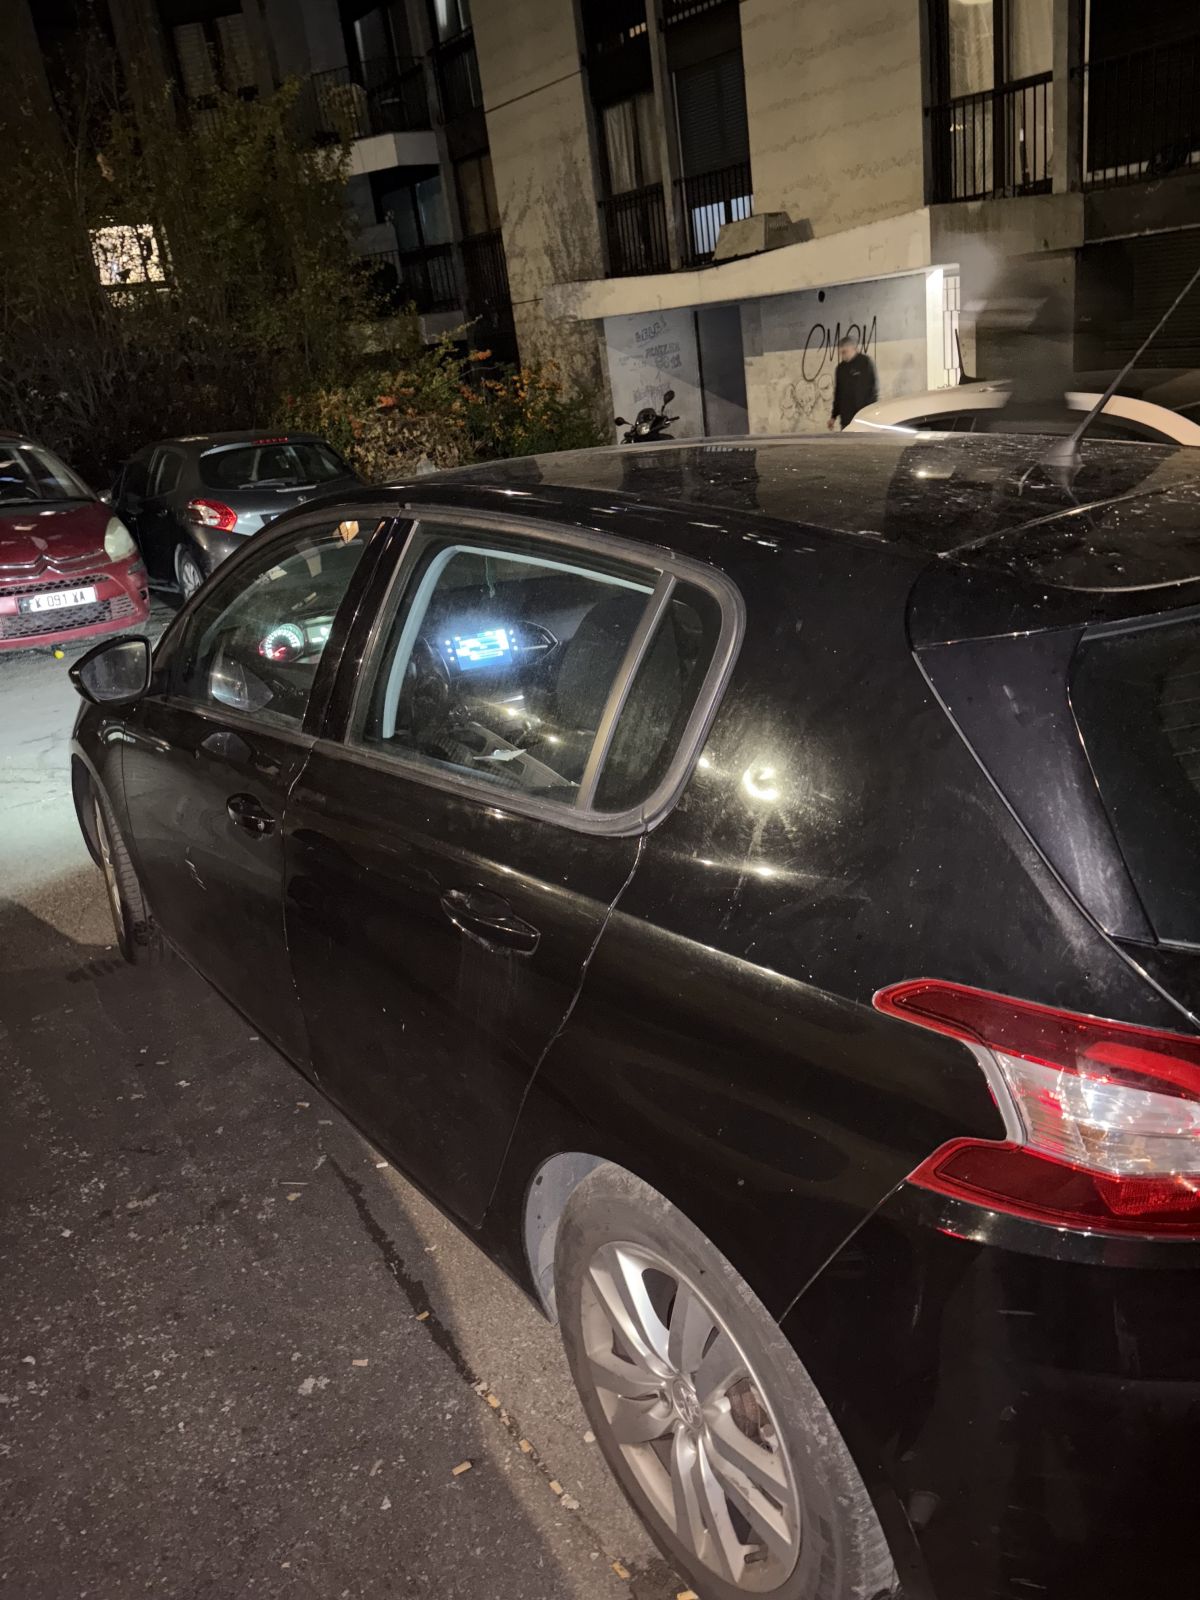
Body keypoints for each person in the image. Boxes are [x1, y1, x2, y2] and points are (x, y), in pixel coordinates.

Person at [828, 335, 878, 430]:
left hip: (864, 417)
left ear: (853, 348)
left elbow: (873, 390)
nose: (842, 355)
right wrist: (833, 416)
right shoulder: (840, 368)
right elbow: (838, 394)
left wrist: (869, 412)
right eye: (841, 353)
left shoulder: (865, 363)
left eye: (844, 352)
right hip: (846, 419)